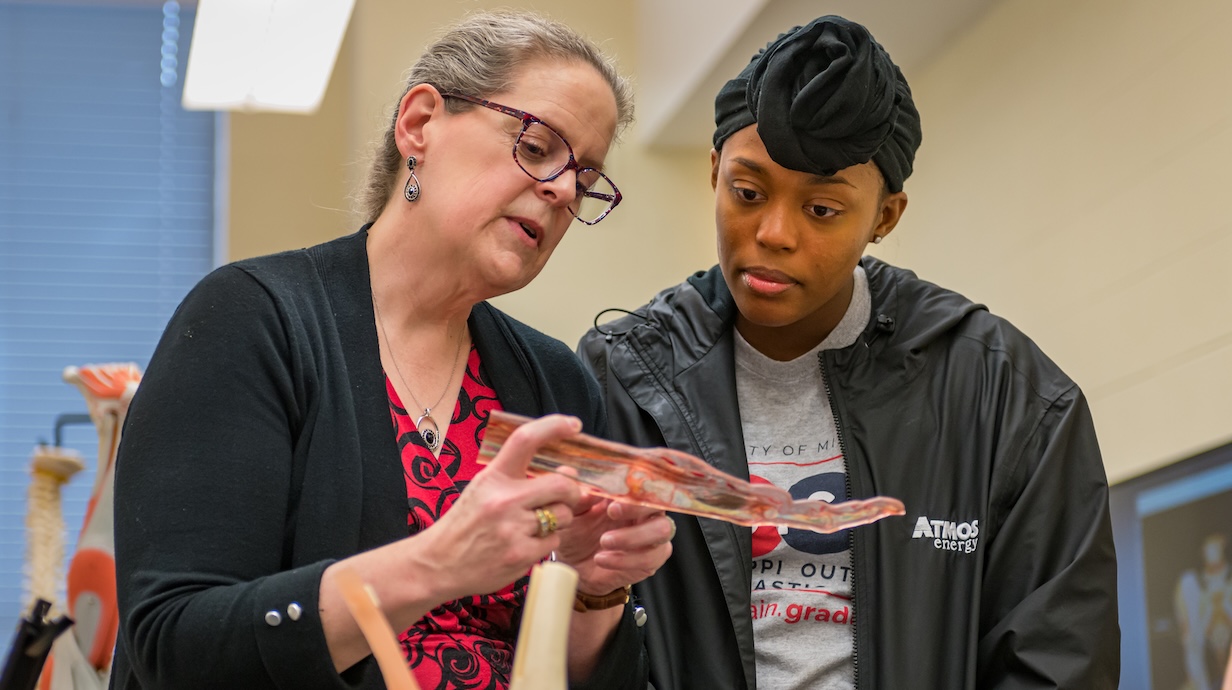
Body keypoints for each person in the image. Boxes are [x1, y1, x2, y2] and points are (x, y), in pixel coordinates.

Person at [111, 10, 673, 690]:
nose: (560, 189)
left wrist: (593, 588)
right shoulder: (251, 318)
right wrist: (439, 564)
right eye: (536, 147)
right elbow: (175, 646)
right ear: (420, 124)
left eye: (583, 177)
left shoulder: (556, 383)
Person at [578, 14, 1119, 690]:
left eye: (823, 211)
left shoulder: (1005, 396)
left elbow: (1057, 660)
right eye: (747, 193)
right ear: (713, 172)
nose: (774, 233)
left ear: (885, 217)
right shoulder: (619, 380)